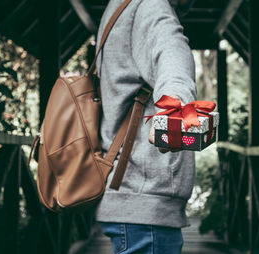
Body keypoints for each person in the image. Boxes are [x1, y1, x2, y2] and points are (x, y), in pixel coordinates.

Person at [95, 0, 196, 253]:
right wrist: (175, 111)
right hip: (145, 197)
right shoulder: (151, 7)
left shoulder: (118, 7)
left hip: (128, 193)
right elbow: (172, 59)